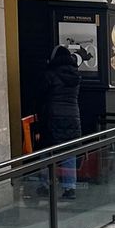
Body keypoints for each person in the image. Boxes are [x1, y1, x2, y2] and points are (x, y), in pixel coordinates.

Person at [41, 45, 82, 199]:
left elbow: (42, 93)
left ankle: (45, 184)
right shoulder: (76, 76)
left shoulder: (50, 75)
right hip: (73, 117)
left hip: (53, 116)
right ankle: (70, 187)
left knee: (46, 151)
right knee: (70, 152)